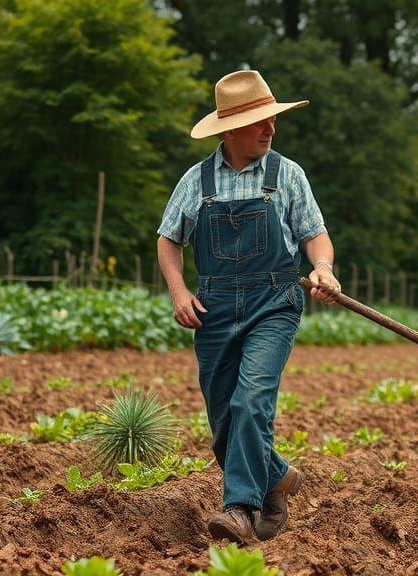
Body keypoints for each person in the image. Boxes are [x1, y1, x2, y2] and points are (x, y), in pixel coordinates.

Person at [157, 69, 340, 544]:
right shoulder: (196, 181)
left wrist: (322, 268)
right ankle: (277, 477)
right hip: (214, 307)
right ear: (230, 130)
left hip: (273, 302)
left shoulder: (287, 174)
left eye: (272, 119)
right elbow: (168, 239)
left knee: (251, 400)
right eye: (259, 121)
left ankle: (239, 507)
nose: (270, 128)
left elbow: (315, 235)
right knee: (223, 419)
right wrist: (179, 291)